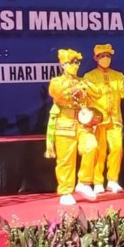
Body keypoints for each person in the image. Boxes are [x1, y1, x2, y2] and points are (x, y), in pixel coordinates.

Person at [46, 49, 99, 204]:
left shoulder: (83, 81)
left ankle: (83, 182)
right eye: (71, 62)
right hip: (64, 124)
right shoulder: (57, 82)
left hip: (83, 124)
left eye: (77, 62)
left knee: (92, 146)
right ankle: (65, 191)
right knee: (66, 160)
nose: (75, 65)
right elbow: (58, 93)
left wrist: (87, 87)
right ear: (63, 64)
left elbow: (97, 93)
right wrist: (75, 88)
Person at [83, 43, 124, 194]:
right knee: (99, 151)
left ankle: (112, 180)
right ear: (96, 58)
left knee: (117, 148)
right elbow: (85, 98)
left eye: (108, 56)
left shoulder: (118, 76)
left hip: (115, 119)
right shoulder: (89, 77)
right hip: (98, 120)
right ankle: (98, 182)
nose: (105, 58)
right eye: (102, 56)